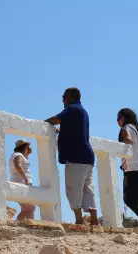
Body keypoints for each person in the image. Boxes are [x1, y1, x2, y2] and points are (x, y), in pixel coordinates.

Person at [45, 87, 99, 226]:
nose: (62, 99)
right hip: (88, 157)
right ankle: (94, 221)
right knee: (88, 189)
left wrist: (43, 123)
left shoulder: (72, 108)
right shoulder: (83, 111)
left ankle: (79, 221)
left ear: (71, 97)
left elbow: (56, 119)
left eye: (64, 96)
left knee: (73, 189)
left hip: (76, 156)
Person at [9, 139, 36, 221]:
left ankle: (20, 225)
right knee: (30, 208)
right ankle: (20, 225)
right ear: (24, 146)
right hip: (22, 184)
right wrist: (25, 179)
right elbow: (17, 165)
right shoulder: (18, 155)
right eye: (27, 146)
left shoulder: (17, 155)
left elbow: (23, 162)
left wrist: (28, 153)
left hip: (20, 183)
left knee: (26, 208)